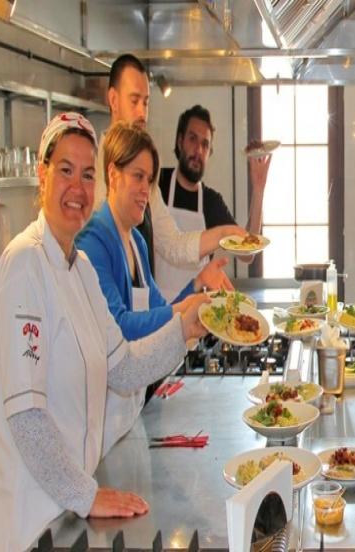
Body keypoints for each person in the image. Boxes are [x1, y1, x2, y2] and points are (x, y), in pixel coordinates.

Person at [0, 113, 209, 550]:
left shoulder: (80, 268)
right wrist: (86, 494)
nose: (78, 188)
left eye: (87, 175)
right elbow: (26, 416)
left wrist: (185, 329)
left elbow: (122, 367)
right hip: (29, 521)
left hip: (67, 510)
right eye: (66, 170)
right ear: (42, 174)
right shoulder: (25, 264)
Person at [76, 121, 229, 454]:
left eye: (149, 179)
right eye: (138, 176)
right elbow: (120, 326)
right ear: (113, 174)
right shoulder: (93, 243)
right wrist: (185, 310)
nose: (146, 189)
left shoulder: (136, 242)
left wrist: (197, 286)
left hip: (130, 414)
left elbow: (160, 310)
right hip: (101, 425)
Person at [101, 54, 248, 273]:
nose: (142, 113)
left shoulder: (139, 238)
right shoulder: (91, 165)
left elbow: (172, 245)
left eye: (146, 102)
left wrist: (223, 234)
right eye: (134, 101)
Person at [150, 104, 270, 300]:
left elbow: (247, 254)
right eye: (192, 139)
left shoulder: (211, 202)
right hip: (159, 308)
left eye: (205, 144)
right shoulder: (156, 184)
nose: (198, 150)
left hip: (199, 311)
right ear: (180, 141)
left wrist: (258, 190)